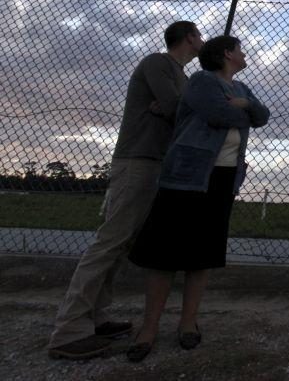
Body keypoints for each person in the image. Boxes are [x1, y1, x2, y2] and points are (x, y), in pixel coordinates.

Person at [48, 21, 204, 360]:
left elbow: (183, 112)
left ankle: (95, 317)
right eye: (199, 35)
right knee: (110, 242)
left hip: (155, 164)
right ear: (189, 37)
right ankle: (68, 331)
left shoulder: (185, 77)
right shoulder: (158, 63)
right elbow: (181, 110)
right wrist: (172, 107)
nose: (202, 40)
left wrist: (170, 108)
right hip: (137, 161)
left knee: (120, 246)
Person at [126, 35, 269, 362]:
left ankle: (188, 323)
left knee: (201, 255)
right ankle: (148, 328)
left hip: (222, 179)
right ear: (226, 54)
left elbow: (262, 116)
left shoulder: (242, 90)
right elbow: (220, 115)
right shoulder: (202, 81)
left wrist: (246, 106)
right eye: (240, 49)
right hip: (187, 176)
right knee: (164, 255)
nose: (244, 54)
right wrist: (243, 113)